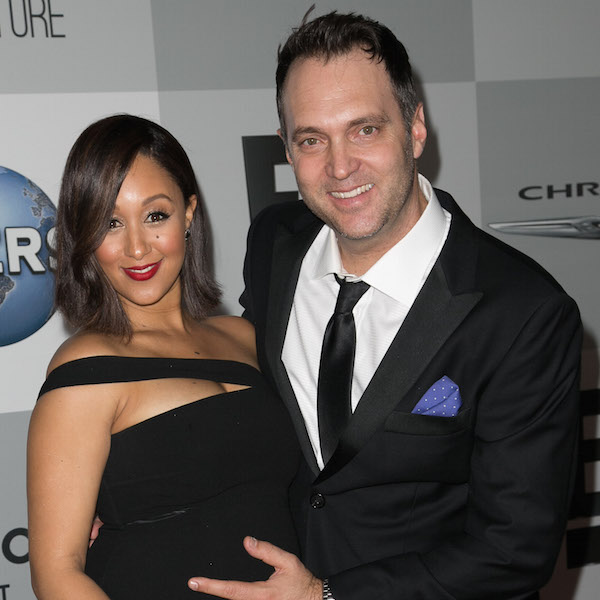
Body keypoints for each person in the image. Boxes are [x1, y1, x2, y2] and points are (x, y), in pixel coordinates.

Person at [188, 10, 582, 600]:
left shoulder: (523, 314)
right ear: (287, 149)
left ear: (415, 127)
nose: (340, 167)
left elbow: (513, 550)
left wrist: (325, 596)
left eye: (365, 130)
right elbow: (242, 396)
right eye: (312, 139)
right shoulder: (274, 242)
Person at [27, 114, 300, 600]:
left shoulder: (246, 337)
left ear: (189, 214)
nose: (137, 248)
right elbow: (57, 574)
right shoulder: (86, 368)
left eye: (156, 216)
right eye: (110, 223)